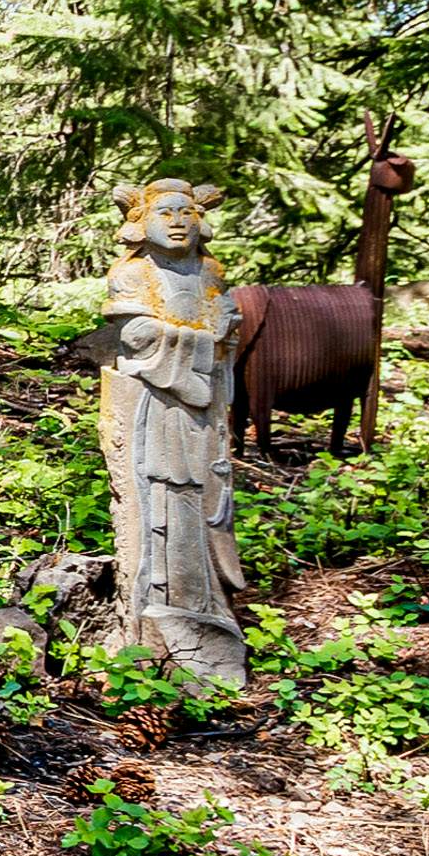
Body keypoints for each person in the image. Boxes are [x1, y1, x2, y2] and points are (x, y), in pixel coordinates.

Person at [96, 178, 249, 690]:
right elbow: (136, 338)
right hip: (157, 410)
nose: (179, 221)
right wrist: (206, 342)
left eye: (186, 212)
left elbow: (226, 329)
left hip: (206, 414)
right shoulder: (134, 274)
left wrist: (224, 333)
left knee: (209, 496)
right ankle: (157, 603)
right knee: (164, 495)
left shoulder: (209, 272)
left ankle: (205, 603)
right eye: (165, 213)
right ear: (141, 224)